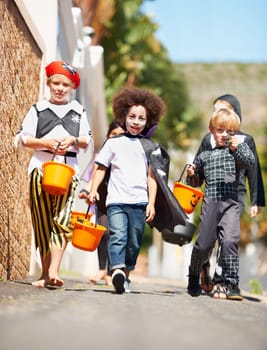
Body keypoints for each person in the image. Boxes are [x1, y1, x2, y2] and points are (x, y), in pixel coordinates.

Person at [14, 60, 92, 287]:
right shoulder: (37, 109)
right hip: (39, 170)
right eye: (56, 83)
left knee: (62, 219)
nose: (59, 88)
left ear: (71, 87)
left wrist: (73, 140)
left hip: (69, 172)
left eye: (65, 84)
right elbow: (20, 138)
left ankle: (54, 271)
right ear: (48, 83)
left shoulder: (78, 111)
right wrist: (44, 143)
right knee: (42, 222)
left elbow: (87, 141)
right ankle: (45, 274)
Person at [87, 86, 167, 294]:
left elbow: (152, 178)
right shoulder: (113, 143)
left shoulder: (150, 146)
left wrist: (151, 203)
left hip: (139, 203)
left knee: (134, 242)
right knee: (118, 235)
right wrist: (94, 189)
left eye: (141, 118)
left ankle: (126, 275)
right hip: (116, 201)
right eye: (132, 116)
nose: (136, 122)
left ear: (147, 121)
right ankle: (117, 271)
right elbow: (100, 168)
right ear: (124, 116)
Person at [196, 94, 265, 294]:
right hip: (212, 194)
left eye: (223, 109)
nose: (218, 113)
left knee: (228, 238)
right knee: (207, 239)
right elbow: (198, 168)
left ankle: (222, 281)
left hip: (236, 195)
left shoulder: (245, 140)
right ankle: (203, 267)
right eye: (215, 110)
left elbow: (253, 170)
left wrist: (257, 200)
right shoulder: (208, 139)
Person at [186, 108, 255, 300]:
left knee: (230, 241)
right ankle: (193, 274)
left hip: (231, 204)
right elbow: (195, 183)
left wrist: (237, 148)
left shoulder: (239, 152)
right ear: (211, 130)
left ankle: (231, 283)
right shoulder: (205, 156)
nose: (225, 135)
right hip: (211, 204)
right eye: (220, 130)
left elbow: (249, 162)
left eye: (230, 132)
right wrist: (193, 174)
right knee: (203, 245)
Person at [79, 121, 124, 286]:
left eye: (120, 135)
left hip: (119, 199)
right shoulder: (101, 155)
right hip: (102, 199)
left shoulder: (125, 155)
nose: (116, 138)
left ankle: (111, 273)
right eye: (113, 135)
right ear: (108, 136)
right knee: (104, 233)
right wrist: (88, 191)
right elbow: (93, 175)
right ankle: (102, 269)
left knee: (116, 235)